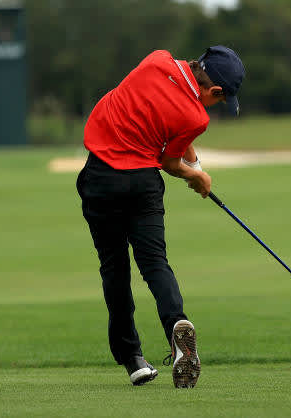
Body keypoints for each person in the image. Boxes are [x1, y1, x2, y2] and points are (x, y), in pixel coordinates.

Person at [76, 46, 245, 388]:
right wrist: (197, 177)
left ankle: (133, 359)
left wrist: (194, 164)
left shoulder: (157, 60)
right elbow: (170, 162)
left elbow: (177, 126)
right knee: (155, 264)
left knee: (115, 269)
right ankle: (176, 325)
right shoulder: (196, 118)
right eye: (220, 100)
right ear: (215, 92)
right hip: (143, 185)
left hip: (100, 179)